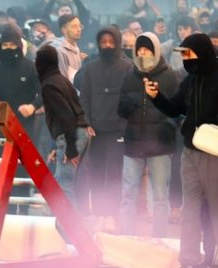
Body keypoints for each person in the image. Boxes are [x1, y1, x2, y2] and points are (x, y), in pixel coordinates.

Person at [144, 33, 218, 268]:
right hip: (190, 151)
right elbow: (175, 108)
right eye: (183, 54)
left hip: (214, 153)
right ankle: (189, 262)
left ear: (202, 52)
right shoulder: (190, 80)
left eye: (188, 53)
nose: (185, 59)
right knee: (190, 210)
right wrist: (156, 97)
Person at [0, 25, 41, 214]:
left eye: (13, 44)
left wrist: (33, 106)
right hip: (0, 126)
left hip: (25, 126)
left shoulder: (30, 66)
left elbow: (43, 91)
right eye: (6, 44)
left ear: (19, 45)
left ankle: (24, 210)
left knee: (23, 169)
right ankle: (6, 212)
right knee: (3, 170)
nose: (9, 48)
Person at [118, 32, 179, 238]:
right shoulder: (129, 75)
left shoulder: (169, 76)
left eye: (147, 49)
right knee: (128, 192)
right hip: (133, 143)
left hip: (160, 145)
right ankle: (127, 236)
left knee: (160, 197)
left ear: (155, 50)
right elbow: (121, 109)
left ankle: (159, 237)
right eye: (139, 50)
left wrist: (169, 126)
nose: (143, 53)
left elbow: (178, 110)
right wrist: (129, 103)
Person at [78, 26, 132, 232]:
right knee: (97, 174)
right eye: (104, 42)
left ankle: (113, 213)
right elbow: (84, 98)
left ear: (117, 43)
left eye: (111, 42)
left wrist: (126, 123)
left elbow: (131, 99)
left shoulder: (127, 67)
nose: (107, 45)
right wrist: (86, 123)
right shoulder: (91, 68)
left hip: (119, 129)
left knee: (116, 173)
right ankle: (101, 213)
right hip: (96, 131)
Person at [35, 45, 91, 210]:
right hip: (79, 134)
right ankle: (78, 221)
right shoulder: (63, 80)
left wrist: (70, 149)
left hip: (71, 136)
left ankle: (70, 226)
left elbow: (66, 117)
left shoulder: (49, 85)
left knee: (65, 184)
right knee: (73, 182)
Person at [50, 14, 85, 83]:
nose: (79, 29)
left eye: (80, 26)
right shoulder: (59, 50)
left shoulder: (74, 47)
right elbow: (62, 79)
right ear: (64, 30)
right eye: (74, 26)